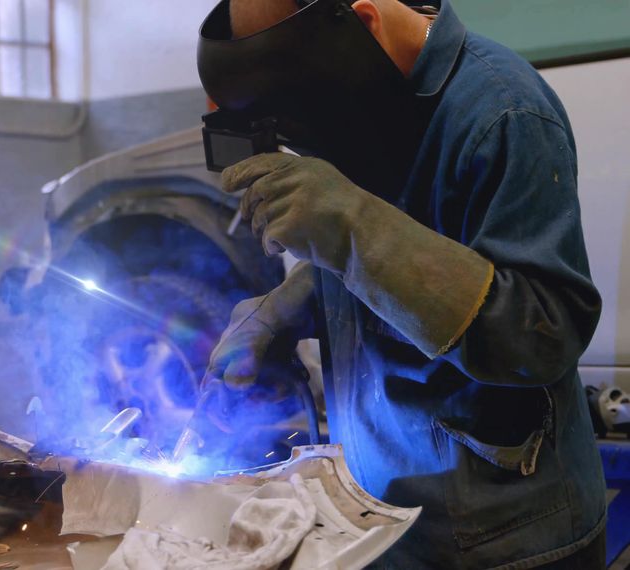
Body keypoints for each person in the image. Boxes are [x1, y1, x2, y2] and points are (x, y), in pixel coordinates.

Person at [197, 0, 607, 567]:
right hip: (379, 527)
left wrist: (350, 225)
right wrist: (284, 307)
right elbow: (378, 272)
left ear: (363, 24)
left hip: (502, 544)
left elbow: (541, 332)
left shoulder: (501, 111)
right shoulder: (363, 102)